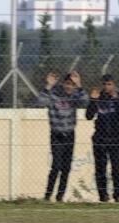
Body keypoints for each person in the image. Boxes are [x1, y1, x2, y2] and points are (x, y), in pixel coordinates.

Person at [36, 70, 89, 202]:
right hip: (57, 134)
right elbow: (40, 102)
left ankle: (60, 196)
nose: (69, 86)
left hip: (70, 134)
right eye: (67, 83)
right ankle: (47, 195)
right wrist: (48, 86)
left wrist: (80, 85)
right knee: (56, 166)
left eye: (72, 84)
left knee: (66, 168)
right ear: (63, 83)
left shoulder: (75, 95)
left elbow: (85, 102)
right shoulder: (54, 94)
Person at [86, 74, 119, 202]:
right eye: (104, 84)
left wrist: (116, 100)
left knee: (116, 167)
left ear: (114, 85)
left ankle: (117, 193)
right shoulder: (98, 98)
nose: (106, 87)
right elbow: (89, 116)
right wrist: (93, 100)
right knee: (100, 168)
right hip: (100, 138)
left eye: (109, 84)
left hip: (115, 138)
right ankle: (103, 195)